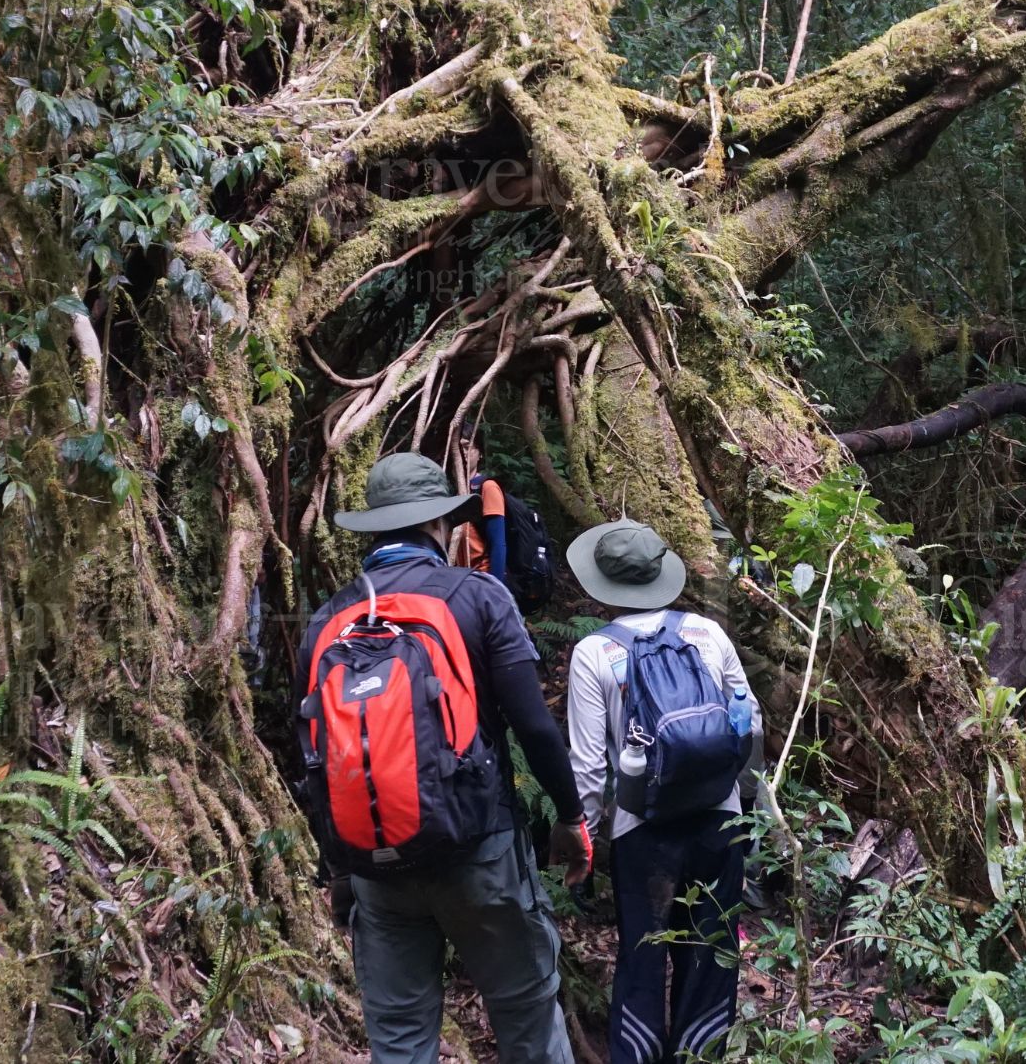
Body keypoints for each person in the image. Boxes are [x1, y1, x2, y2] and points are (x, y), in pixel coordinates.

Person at [297, 453, 592, 1064]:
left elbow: (319, 759)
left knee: (401, 1037)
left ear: (374, 529)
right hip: (480, 849)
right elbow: (534, 726)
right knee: (526, 1014)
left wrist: (343, 866)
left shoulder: (327, 620)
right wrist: (570, 816)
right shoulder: (477, 596)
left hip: (378, 865)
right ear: (440, 524)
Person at [564, 520, 758, 1064]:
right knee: (711, 958)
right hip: (719, 821)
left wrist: (584, 844)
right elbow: (750, 725)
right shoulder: (706, 633)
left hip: (642, 832)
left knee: (642, 961)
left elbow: (586, 764)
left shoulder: (594, 653)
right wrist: (748, 817)